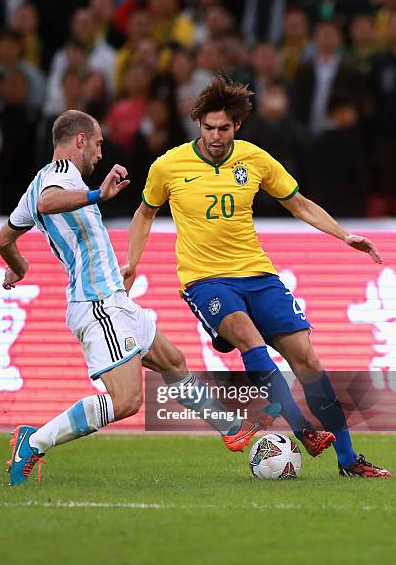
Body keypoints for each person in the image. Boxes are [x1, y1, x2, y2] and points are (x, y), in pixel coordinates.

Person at [124, 74, 392, 478]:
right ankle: (303, 430)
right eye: (208, 128)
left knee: (309, 359)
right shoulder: (168, 166)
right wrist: (131, 263)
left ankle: (349, 460)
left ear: (237, 126)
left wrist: (345, 234)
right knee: (249, 338)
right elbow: (145, 214)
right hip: (206, 280)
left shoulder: (254, 159)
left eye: (224, 128)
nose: (215, 136)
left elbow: (299, 204)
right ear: (198, 124)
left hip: (258, 274)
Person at [0, 109, 280, 486]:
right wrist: (98, 193)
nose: (99, 154)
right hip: (96, 302)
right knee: (127, 400)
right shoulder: (61, 175)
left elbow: (4, 239)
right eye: (96, 144)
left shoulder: (35, 184)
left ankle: (231, 428)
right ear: (79, 141)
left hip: (112, 297)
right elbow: (49, 203)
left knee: (172, 359)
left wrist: (19, 266)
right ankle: (34, 441)